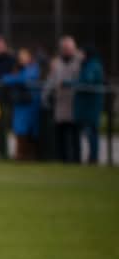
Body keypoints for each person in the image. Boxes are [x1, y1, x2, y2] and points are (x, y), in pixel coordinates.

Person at [43, 35, 83, 164]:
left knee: (75, 135)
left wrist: (67, 84)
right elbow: (50, 80)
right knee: (60, 134)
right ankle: (62, 160)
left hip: (75, 103)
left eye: (69, 48)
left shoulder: (80, 62)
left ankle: (76, 160)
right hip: (60, 103)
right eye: (65, 48)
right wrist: (45, 96)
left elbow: (82, 81)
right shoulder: (57, 63)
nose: (67, 50)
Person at [1, 47, 42, 161]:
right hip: (20, 103)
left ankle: (30, 155)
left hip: (31, 104)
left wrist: (9, 78)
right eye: (20, 56)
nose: (22, 59)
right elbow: (13, 78)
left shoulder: (33, 68)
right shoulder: (18, 68)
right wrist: (11, 78)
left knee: (30, 130)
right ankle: (20, 154)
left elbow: (23, 79)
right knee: (19, 129)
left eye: (24, 56)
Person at [73, 44, 105, 165]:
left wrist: (70, 83)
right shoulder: (89, 64)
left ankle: (93, 158)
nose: (79, 55)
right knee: (90, 133)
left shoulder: (92, 65)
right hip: (89, 105)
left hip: (90, 105)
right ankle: (92, 157)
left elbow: (87, 81)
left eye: (81, 52)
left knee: (91, 133)